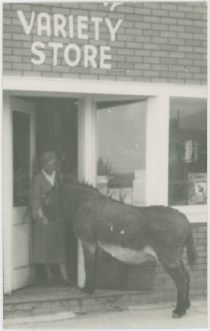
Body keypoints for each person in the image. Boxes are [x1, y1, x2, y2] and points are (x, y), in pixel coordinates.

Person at [31, 151, 70, 286]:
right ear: (43, 164)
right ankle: (50, 277)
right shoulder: (37, 178)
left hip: (58, 215)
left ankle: (64, 276)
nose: (51, 167)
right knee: (46, 246)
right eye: (48, 164)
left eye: (53, 164)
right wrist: (39, 214)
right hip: (44, 216)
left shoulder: (59, 176)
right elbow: (35, 198)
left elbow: (65, 194)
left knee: (59, 245)